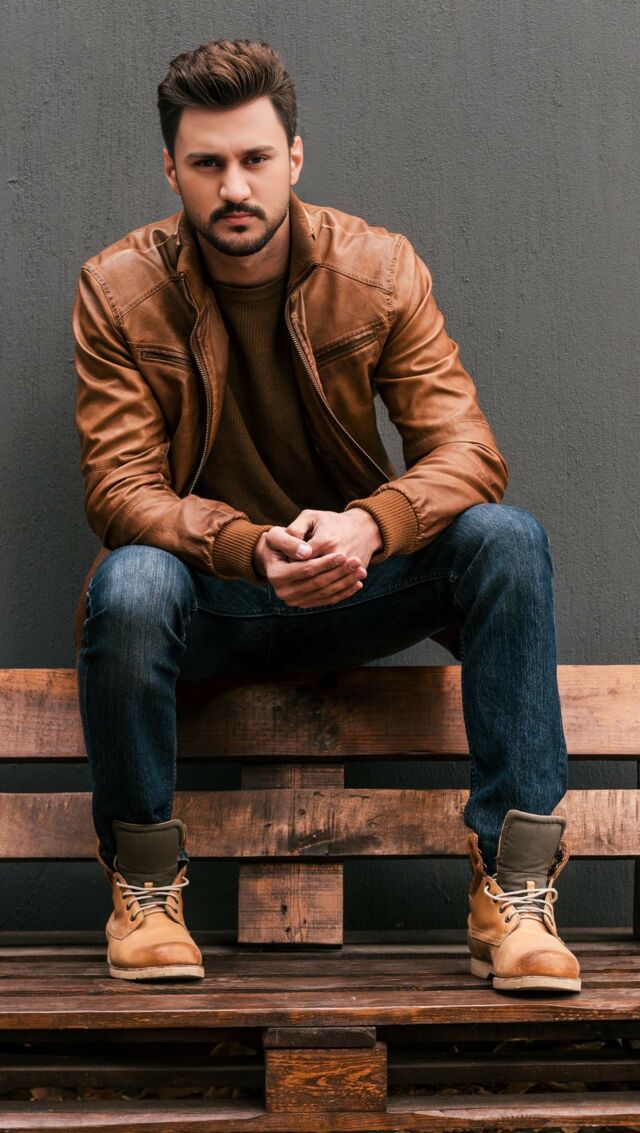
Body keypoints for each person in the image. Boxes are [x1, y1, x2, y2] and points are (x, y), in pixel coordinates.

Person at [71, 37, 580, 993]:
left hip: (359, 585)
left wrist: (370, 525)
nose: (234, 187)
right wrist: (241, 545)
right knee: (130, 580)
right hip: (211, 599)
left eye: (255, 158)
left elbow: (470, 453)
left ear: (294, 158)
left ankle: (512, 893)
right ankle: (145, 893)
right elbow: (121, 488)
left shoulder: (378, 269)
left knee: (507, 539)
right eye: (208, 163)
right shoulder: (118, 289)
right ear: (171, 169)